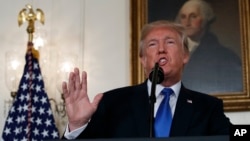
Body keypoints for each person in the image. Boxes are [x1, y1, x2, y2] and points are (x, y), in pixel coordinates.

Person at [62, 20, 231, 139]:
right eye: (152, 44)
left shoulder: (208, 108)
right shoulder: (113, 103)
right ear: (143, 59)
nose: (161, 49)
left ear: (185, 55)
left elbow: (237, 135)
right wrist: (77, 126)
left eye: (170, 42)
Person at [175, 0, 243, 94]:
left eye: (193, 16)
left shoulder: (225, 57)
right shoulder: (173, 53)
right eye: (183, 17)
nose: (187, 22)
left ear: (205, 19)